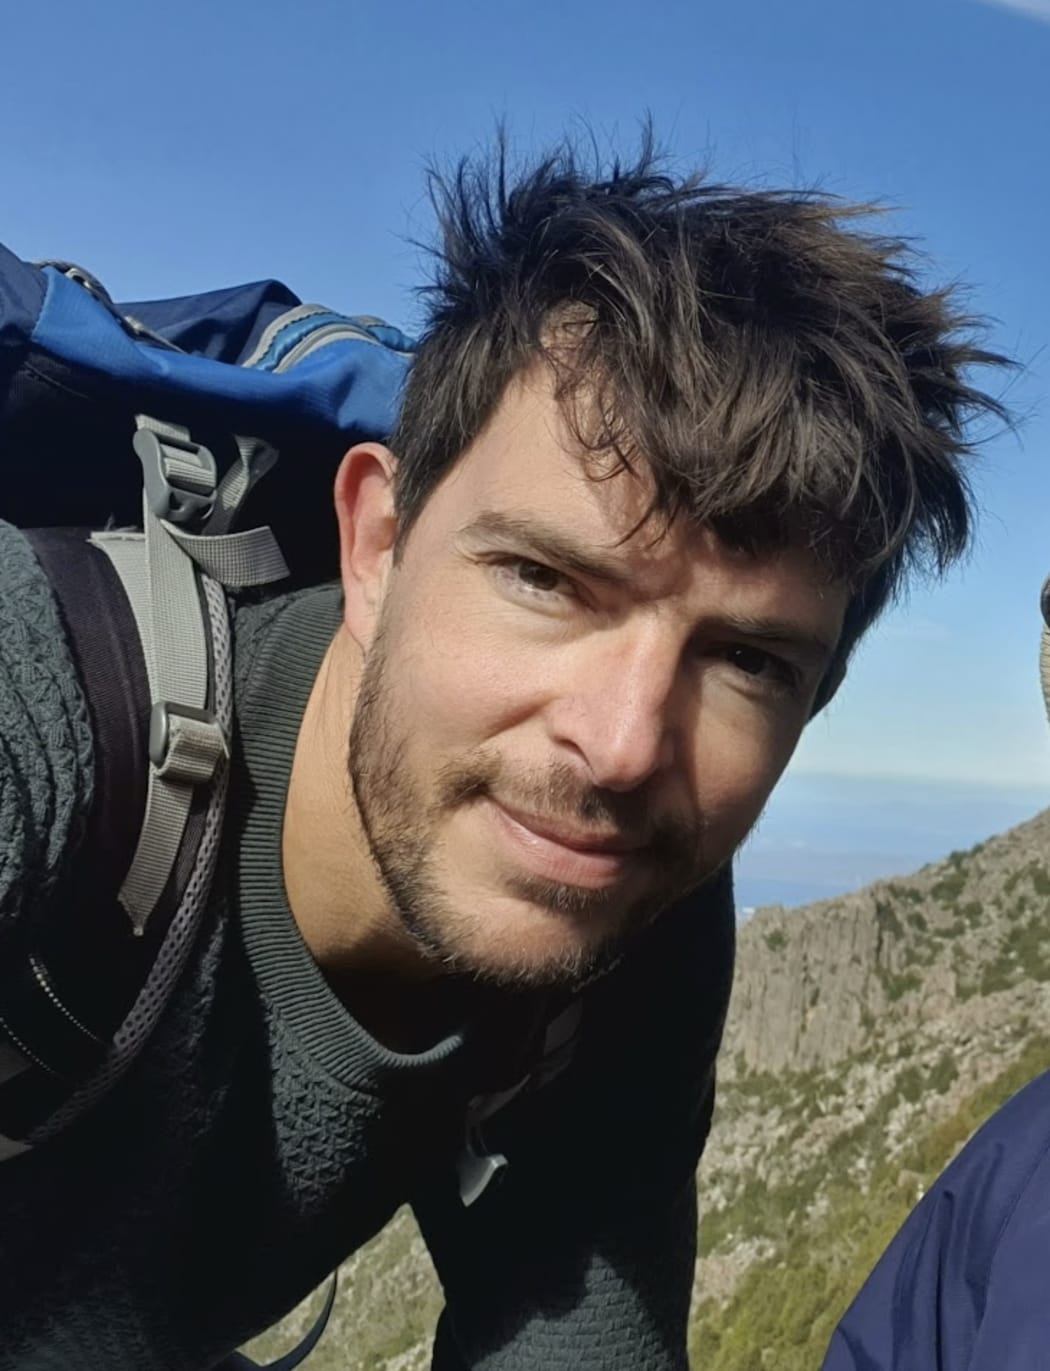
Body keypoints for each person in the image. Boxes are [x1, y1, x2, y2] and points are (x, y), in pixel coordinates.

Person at [0, 136, 1006, 1370]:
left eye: (748, 663)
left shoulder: (624, 920)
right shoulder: (41, 711)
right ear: (376, 543)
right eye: (543, 578)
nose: (624, 748)